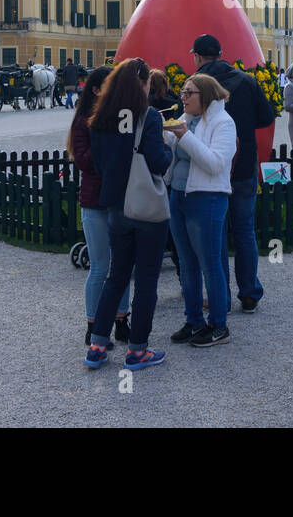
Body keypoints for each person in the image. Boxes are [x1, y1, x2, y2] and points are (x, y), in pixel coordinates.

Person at [83, 57, 174, 371]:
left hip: (116, 206)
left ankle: (96, 345)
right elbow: (159, 162)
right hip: (146, 206)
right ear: (143, 84)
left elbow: (98, 164)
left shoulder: (99, 118)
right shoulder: (147, 117)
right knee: (147, 280)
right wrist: (169, 146)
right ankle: (137, 350)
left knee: (116, 276)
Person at [192, 33, 275, 315]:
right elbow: (266, 117)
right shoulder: (247, 80)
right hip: (243, 166)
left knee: (215, 235)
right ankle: (249, 293)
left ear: (199, 57)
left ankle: (220, 296)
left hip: (212, 169)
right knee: (244, 231)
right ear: (220, 53)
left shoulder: (197, 86)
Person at [165, 73, 239, 345]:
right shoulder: (187, 120)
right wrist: (169, 139)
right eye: (183, 92)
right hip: (180, 195)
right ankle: (193, 320)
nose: (182, 98)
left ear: (204, 96)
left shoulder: (224, 123)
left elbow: (215, 163)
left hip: (207, 197)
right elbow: (178, 155)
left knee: (209, 263)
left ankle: (219, 325)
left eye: (188, 93)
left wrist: (184, 137)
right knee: (186, 264)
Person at [67, 66, 129, 347]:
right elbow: (82, 160)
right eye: (110, 86)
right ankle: (92, 324)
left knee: (123, 266)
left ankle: (121, 319)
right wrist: (107, 147)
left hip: (119, 199)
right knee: (100, 266)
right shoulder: (83, 121)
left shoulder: (121, 116)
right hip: (94, 201)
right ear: (95, 90)